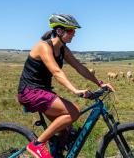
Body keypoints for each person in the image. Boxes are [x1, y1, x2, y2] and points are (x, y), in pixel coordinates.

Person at [17, 14, 115, 158]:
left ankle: (56, 153)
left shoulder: (63, 49)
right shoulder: (43, 47)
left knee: (66, 128)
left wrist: (99, 83)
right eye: (71, 31)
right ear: (59, 31)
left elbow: (80, 67)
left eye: (74, 31)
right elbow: (56, 72)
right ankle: (37, 145)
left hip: (42, 92)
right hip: (30, 92)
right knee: (74, 111)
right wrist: (75, 90)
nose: (74, 34)